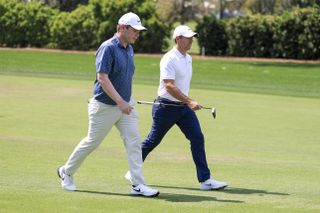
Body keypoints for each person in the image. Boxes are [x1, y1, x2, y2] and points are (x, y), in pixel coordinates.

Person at [57, 12, 159, 197]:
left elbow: (123, 78)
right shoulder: (108, 48)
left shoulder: (129, 48)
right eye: (135, 30)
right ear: (122, 28)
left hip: (125, 106)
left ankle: (137, 184)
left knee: (134, 142)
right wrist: (120, 101)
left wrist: (126, 100)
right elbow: (102, 78)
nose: (138, 34)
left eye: (138, 31)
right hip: (104, 107)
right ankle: (67, 172)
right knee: (91, 143)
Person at [125, 25, 227, 191]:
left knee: (197, 138)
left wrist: (187, 102)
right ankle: (132, 171)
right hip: (166, 107)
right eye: (188, 37)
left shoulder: (188, 58)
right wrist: (189, 101)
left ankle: (205, 180)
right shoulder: (169, 58)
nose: (191, 40)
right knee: (152, 141)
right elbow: (169, 85)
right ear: (178, 38)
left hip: (182, 108)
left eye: (192, 37)